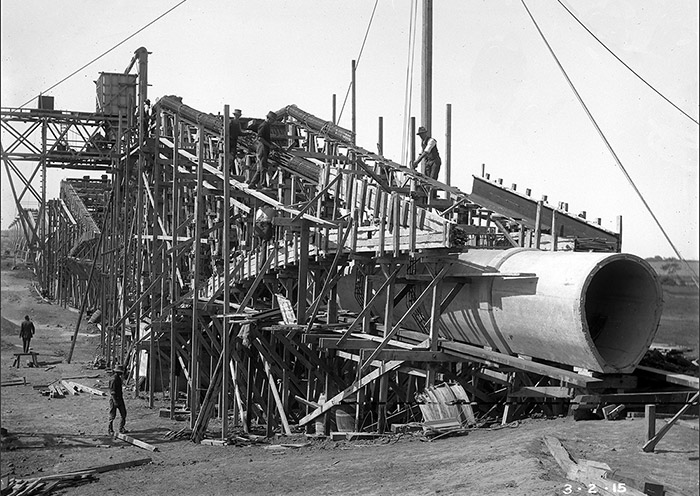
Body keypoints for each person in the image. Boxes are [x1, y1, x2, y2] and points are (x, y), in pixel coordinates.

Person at [250, 111, 277, 188]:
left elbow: (265, 138)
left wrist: (271, 145)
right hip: (262, 148)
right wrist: (269, 145)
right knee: (263, 167)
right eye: (272, 120)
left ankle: (252, 183)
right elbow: (260, 138)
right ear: (269, 118)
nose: (273, 122)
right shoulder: (264, 125)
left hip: (264, 148)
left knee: (261, 168)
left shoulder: (267, 125)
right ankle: (263, 184)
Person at [108, 364, 127, 435]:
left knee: (123, 413)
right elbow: (112, 392)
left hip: (120, 398)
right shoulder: (114, 379)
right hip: (114, 399)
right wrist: (115, 401)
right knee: (112, 415)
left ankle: (121, 428)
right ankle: (110, 429)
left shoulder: (118, 379)